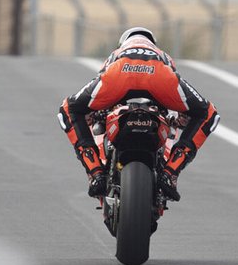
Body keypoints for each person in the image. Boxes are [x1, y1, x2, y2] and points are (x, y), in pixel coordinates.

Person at [56, 27, 220, 202]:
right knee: (208, 113)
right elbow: (176, 97)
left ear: (124, 41)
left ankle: (95, 172)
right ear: (152, 42)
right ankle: (171, 172)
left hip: (119, 74)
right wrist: (181, 118)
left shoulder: (116, 53)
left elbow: (102, 80)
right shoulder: (162, 55)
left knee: (69, 109)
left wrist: (93, 113)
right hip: (160, 76)